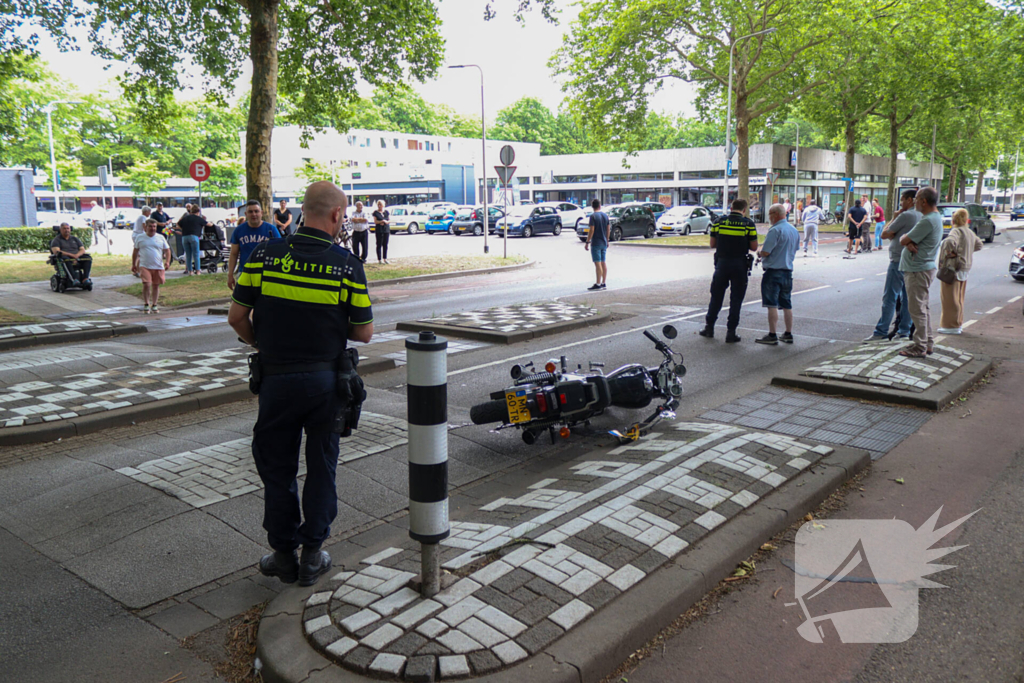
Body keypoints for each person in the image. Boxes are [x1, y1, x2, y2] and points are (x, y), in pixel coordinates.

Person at [228, 181, 374, 588]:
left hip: (276, 381)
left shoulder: (264, 254)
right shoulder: (347, 264)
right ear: (335, 215)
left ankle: (282, 554)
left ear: (301, 211)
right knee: (322, 466)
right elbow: (363, 332)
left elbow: (236, 317)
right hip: (326, 383)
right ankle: (313, 556)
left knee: (278, 469)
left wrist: (265, 344)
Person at [698, 198, 759, 343]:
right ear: (744, 210)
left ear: (731, 208)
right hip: (739, 265)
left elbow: (712, 244)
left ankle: (709, 328)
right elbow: (754, 247)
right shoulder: (748, 224)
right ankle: (731, 332)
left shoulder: (719, 222)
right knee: (736, 299)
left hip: (722, 264)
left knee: (716, 297)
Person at [864, 189, 920, 342]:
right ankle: (903, 331)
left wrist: (893, 218)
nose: (900, 203)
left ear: (910, 200)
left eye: (902, 200)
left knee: (890, 296)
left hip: (897, 260)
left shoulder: (905, 215)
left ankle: (881, 331)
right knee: (907, 297)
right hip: (912, 262)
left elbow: (884, 234)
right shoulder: (921, 215)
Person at [898, 186, 943, 357]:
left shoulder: (927, 221)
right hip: (923, 268)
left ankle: (920, 346)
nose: (914, 201)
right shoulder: (934, 217)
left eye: (916, 198)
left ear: (923, 201)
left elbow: (903, 238)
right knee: (923, 308)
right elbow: (908, 239)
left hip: (918, 270)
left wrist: (907, 241)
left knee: (917, 310)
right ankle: (927, 342)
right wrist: (908, 242)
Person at [756, 204, 800, 345]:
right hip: (788, 271)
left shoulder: (775, 230)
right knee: (787, 304)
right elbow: (795, 248)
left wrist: (759, 252)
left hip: (773, 272)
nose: (769, 217)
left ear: (775, 214)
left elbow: (766, 251)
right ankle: (788, 333)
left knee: (772, 304)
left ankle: (772, 334)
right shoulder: (794, 230)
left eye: (770, 214)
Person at [937, 208, 983, 335]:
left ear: (954, 220)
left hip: (953, 268)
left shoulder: (956, 231)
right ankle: (958, 323)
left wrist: (951, 253)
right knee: (959, 298)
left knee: (949, 298)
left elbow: (949, 242)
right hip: (965, 267)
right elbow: (979, 245)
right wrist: (966, 252)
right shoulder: (969, 232)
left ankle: (950, 325)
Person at [228, 200, 281, 289]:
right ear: (246, 214)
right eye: (250, 212)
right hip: (244, 273)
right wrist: (230, 275)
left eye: (256, 211)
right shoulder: (239, 230)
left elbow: (279, 252)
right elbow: (234, 254)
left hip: (265, 273)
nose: (254, 214)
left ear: (261, 213)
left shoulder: (271, 230)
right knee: (242, 301)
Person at [131, 218, 171, 313]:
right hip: (144, 265)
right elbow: (135, 251)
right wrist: (133, 264)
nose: (152, 228)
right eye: (150, 226)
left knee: (156, 285)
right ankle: (146, 304)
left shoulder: (160, 237)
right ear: (146, 227)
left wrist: (167, 262)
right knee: (147, 284)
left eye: (154, 226)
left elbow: (167, 250)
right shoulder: (140, 237)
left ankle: (154, 304)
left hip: (158, 265)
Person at [177, 204, 211, 276]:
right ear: (198, 211)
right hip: (194, 237)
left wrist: (183, 229)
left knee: (188, 255)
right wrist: (212, 223)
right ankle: (198, 271)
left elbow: (178, 224)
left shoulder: (186, 218)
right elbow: (209, 224)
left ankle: (190, 271)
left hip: (184, 237)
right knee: (196, 254)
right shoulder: (198, 218)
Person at [584, 198, 610, 291]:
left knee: (597, 263)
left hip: (596, 243)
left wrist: (587, 241)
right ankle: (603, 282)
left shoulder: (593, 216)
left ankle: (598, 283)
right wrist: (607, 240)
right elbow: (608, 229)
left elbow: (592, 230)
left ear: (592, 207)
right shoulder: (605, 216)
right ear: (599, 206)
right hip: (604, 242)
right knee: (603, 262)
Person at [372, 200, 390, 264]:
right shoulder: (375, 213)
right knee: (379, 244)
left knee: (385, 244)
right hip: (379, 230)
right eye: (378, 204)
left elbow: (389, 220)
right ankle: (379, 259)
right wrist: (381, 221)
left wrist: (386, 222)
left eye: (380, 204)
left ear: (383, 205)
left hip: (386, 230)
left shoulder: (386, 212)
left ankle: (385, 258)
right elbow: (375, 221)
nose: (379, 206)